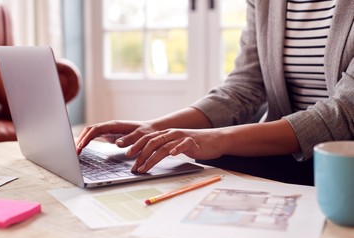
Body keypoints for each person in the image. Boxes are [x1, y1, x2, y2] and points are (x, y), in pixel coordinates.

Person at [77, 0, 354, 186]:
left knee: (212, 149)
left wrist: (215, 138)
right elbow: (243, 87)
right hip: (291, 155)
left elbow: (343, 114)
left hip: (346, 160)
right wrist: (156, 127)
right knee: (202, 159)